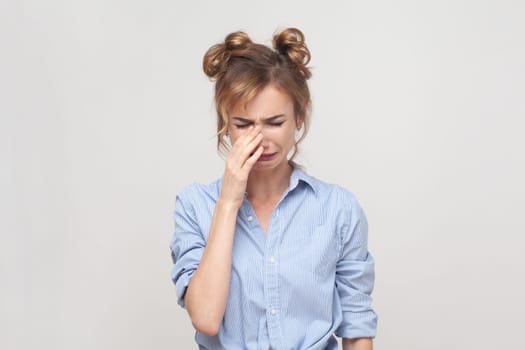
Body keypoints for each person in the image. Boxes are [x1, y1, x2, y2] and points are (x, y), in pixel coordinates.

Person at [170, 27, 377, 350]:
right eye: (243, 125)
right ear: (226, 126)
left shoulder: (338, 208)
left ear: (299, 117)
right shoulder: (195, 205)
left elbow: (357, 328)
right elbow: (207, 318)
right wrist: (228, 201)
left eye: (274, 122)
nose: (260, 138)